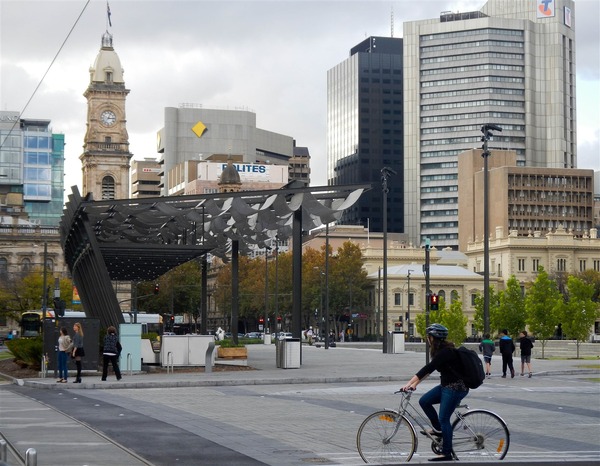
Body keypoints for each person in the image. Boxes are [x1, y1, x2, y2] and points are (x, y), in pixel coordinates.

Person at [402, 324, 469, 462]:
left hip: (455, 388)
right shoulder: (441, 352)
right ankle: (439, 430)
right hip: (446, 386)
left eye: (429, 337)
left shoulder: (446, 352)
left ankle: (446, 453)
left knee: (444, 418)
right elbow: (430, 370)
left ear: (433, 338)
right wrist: (414, 385)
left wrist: (409, 383)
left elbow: (428, 368)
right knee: (424, 401)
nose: (427, 339)